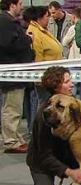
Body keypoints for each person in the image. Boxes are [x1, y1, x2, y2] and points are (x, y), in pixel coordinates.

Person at [0, 0, 35, 154]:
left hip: (15, 71)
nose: (22, 6)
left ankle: (14, 138)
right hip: (11, 72)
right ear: (12, 5)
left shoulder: (8, 22)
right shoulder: (5, 22)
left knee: (14, 108)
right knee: (12, 108)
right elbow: (9, 44)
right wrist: (27, 39)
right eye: (20, 3)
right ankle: (11, 141)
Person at [25, 6, 63, 106]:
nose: (49, 18)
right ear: (39, 18)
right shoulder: (35, 33)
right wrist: (39, 77)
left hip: (52, 76)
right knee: (43, 104)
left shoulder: (42, 30)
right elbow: (37, 56)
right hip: (45, 77)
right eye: (47, 16)